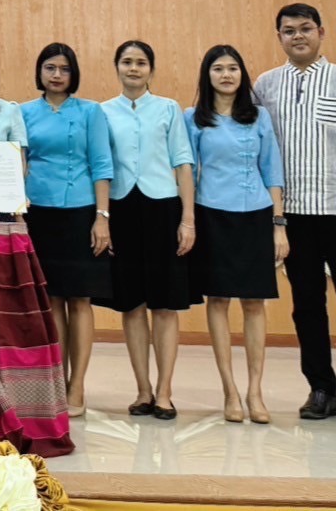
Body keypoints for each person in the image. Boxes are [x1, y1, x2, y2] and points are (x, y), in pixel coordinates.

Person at [254, 3, 336, 428]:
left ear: (321, 32)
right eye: (289, 30)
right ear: (279, 37)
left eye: (306, 28)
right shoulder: (266, 85)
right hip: (293, 216)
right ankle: (321, 390)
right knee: (307, 306)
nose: (298, 36)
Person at [184, 45, 287, 424]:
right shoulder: (192, 118)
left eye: (233, 68)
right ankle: (229, 391)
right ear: (206, 75)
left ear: (242, 74)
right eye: (218, 69)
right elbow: (187, 175)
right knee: (218, 300)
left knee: (255, 303)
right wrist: (188, 221)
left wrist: (279, 224)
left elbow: (272, 170)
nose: (226, 75)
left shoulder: (258, 117)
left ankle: (255, 391)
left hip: (256, 215)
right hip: (212, 214)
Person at [97, 40, 195, 421]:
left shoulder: (169, 109)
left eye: (141, 63)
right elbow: (101, 167)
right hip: (122, 209)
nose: (133, 68)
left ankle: (166, 391)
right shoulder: (103, 112)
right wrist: (102, 216)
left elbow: (183, 164)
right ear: (117, 67)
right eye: (126, 62)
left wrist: (188, 220)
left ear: (151, 69)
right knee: (132, 304)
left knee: (165, 304)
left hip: (163, 208)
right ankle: (142, 390)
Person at [19, 43, 112, 417]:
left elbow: (102, 163)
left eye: (64, 69)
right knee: (52, 299)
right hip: (37, 212)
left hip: (81, 211)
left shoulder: (91, 112)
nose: (57, 75)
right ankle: (56, 381)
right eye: (50, 68)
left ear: (74, 74)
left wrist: (102, 216)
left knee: (81, 299)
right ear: (39, 72)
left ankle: (78, 387)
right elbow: (18, 161)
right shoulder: (23, 111)